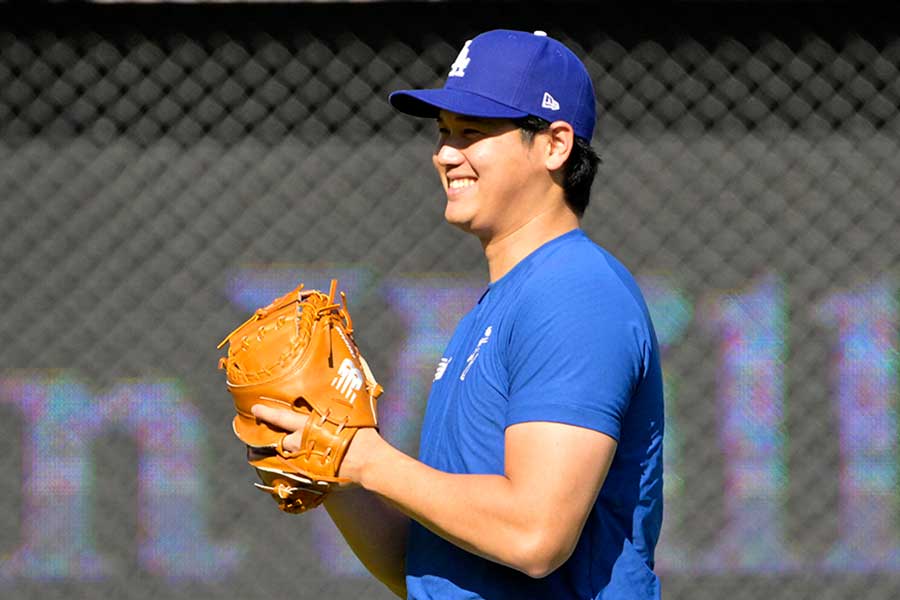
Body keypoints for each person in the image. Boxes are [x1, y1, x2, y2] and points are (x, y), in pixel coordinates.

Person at [252, 28, 664, 600]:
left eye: (473, 131)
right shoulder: (496, 307)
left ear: (555, 144)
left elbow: (534, 534)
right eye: (443, 132)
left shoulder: (575, 291)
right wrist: (336, 472)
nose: (445, 154)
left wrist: (367, 458)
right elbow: (426, 569)